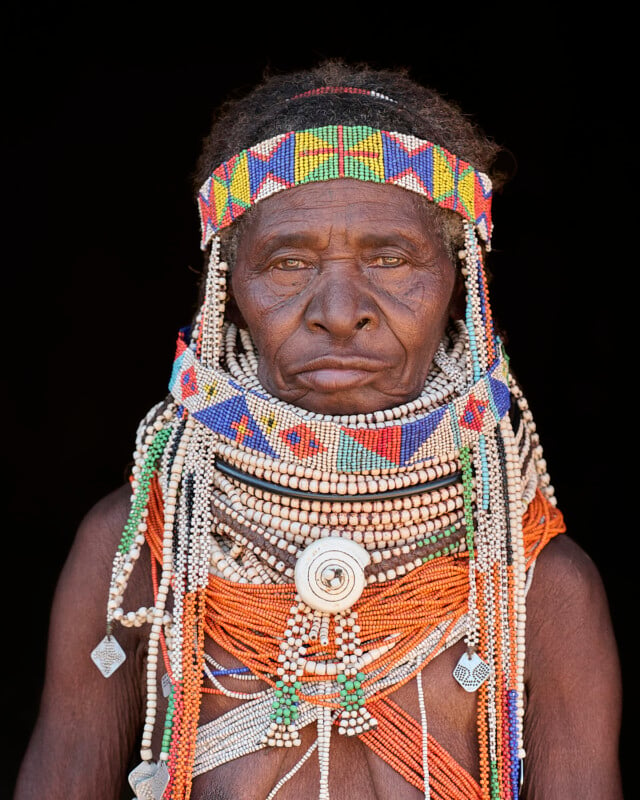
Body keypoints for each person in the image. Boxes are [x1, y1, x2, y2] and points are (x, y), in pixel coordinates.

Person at [15, 61, 623, 800]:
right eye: (288, 262)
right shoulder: (142, 551)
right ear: (229, 288)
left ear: (457, 277)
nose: (339, 309)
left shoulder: (538, 588)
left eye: (391, 258)